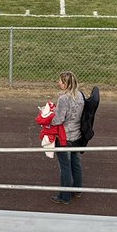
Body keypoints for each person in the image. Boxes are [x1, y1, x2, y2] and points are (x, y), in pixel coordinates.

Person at [46, 71, 84, 204]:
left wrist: (47, 118)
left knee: (65, 167)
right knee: (76, 163)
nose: (58, 83)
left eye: (61, 81)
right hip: (77, 136)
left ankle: (64, 196)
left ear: (66, 84)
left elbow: (58, 120)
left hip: (64, 137)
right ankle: (77, 190)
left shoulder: (63, 99)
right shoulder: (80, 95)